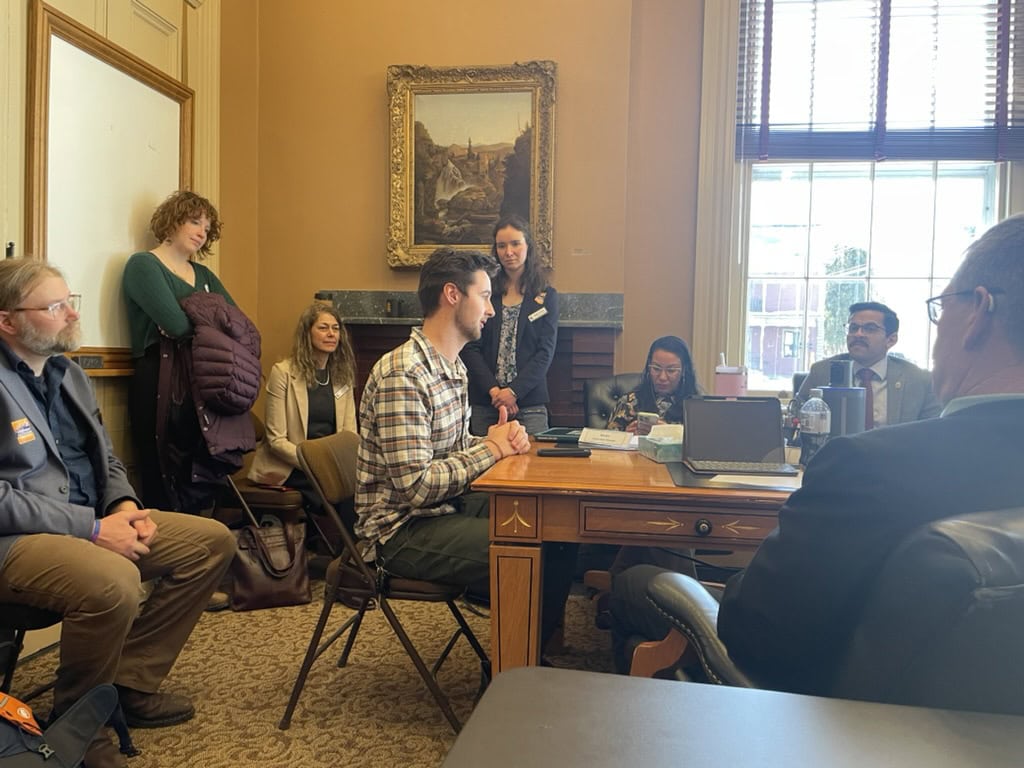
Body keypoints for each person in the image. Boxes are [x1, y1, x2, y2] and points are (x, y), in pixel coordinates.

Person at [610, 213, 1024, 687]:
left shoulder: (866, 467)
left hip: (812, 711)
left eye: (942, 307)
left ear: (977, 313)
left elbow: (756, 629)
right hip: (978, 720)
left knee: (632, 583)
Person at [0, 259, 236, 768]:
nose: (70, 315)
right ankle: (80, 724)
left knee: (211, 542)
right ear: (7, 321)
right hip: (19, 538)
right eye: (54, 306)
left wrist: (123, 506)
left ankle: (128, 684)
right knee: (114, 581)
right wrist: (91, 529)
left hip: (93, 518)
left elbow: (105, 457)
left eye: (70, 301)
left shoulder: (68, 373)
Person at [356, 247, 574, 648]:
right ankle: (512, 670)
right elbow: (417, 487)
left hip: (444, 507)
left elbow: (455, 449)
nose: (491, 310)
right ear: (453, 295)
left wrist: (496, 440)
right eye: (485, 296)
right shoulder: (404, 375)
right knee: (530, 554)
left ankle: (529, 654)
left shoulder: (452, 366)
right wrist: (492, 449)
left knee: (554, 531)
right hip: (401, 531)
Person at [122, 190, 236, 511]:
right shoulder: (144, 265)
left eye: (207, 228)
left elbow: (237, 325)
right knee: (163, 472)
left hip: (201, 378)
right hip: (159, 377)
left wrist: (194, 319)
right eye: (194, 222)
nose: (202, 232)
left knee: (198, 474)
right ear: (172, 221)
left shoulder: (205, 275)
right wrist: (207, 319)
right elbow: (176, 325)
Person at [248, 301, 357, 507]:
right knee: (340, 493)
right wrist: (317, 465)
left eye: (335, 329)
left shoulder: (342, 377)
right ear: (307, 333)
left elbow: (349, 434)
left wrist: (338, 465)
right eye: (323, 328)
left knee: (364, 487)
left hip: (331, 466)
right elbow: (276, 441)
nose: (331, 334)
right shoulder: (283, 373)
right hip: (291, 466)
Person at [462, 215, 558, 436]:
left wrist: (513, 392)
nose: (508, 252)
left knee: (533, 459)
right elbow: (471, 347)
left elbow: (545, 352)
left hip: (530, 404)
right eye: (502, 246)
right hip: (487, 401)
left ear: (528, 246)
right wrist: (496, 392)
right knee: (484, 458)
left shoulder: (546, 295)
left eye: (515, 244)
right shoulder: (483, 293)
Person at [794, 301, 941, 428]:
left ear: (891, 339)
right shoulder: (822, 371)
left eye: (870, 329)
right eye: (853, 328)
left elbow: (930, 432)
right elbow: (796, 421)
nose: (858, 334)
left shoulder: (919, 380)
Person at [606, 335, 700, 435]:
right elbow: (607, 439)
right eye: (656, 369)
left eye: (671, 370)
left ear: (684, 371)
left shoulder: (697, 406)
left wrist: (670, 433)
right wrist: (626, 436)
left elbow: (702, 441)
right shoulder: (629, 402)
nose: (662, 377)